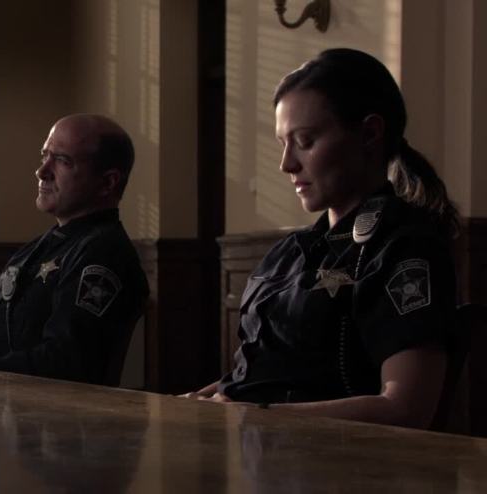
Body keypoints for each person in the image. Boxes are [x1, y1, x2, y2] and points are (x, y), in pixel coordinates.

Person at [184, 48, 459, 429]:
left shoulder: (403, 247)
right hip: (258, 448)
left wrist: (249, 415)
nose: (286, 164)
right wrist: (197, 404)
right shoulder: (288, 253)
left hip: (331, 460)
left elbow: (406, 410)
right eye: (282, 143)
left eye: (305, 141)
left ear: (369, 133)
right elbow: (261, 379)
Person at [0, 113, 149, 385]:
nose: (41, 171)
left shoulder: (103, 254)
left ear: (107, 182)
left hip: (21, 407)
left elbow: (65, 362)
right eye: (45, 156)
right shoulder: (47, 245)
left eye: (62, 160)